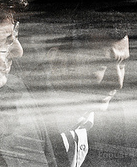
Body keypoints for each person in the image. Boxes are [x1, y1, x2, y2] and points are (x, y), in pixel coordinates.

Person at [40, 18, 131, 166]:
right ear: (58, 62)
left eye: (122, 64)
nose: (118, 82)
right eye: (102, 64)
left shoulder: (112, 116)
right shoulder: (21, 119)